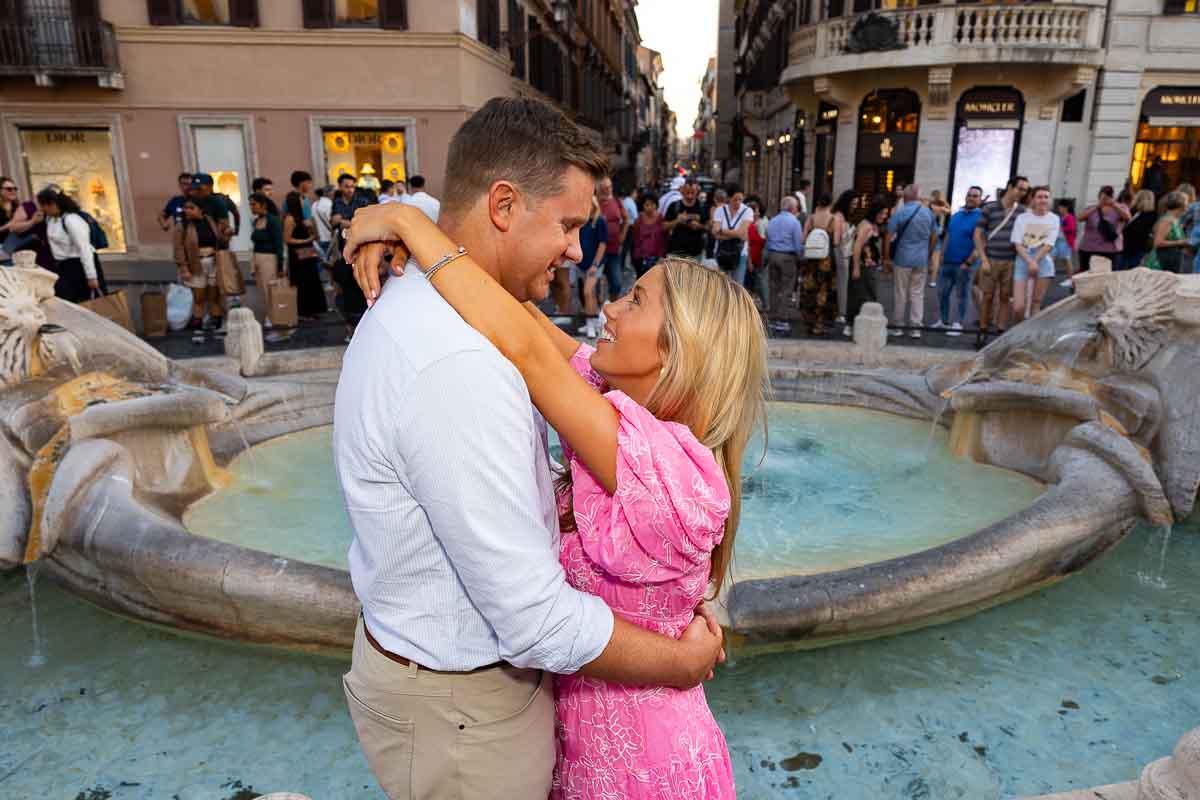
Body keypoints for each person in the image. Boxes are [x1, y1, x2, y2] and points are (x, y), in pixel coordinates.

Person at [333, 96, 726, 800]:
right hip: (469, 714)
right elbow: (534, 620)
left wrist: (408, 220)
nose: (581, 254)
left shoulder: (645, 446)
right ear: (505, 206)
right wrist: (680, 663)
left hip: (609, 742)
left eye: (634, 302)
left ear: (678, 356)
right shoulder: (459, 362)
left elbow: (524, 334)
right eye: (569, 224)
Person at [974, 175, 1028, 337]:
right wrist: (983, 259)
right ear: (1010, 187)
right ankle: (982, 331)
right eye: (1020, 188)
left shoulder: (1022, 211)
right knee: (987, 296)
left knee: (1005, 296)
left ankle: (1000, 332)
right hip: (990, 259)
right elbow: (977, 235)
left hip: (1011, 261)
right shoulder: (989, 208)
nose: (1023, 193)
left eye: (1025, 190)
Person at [36, 187, 105, 303]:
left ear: (52, 204)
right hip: (64, 268)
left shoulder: (72, 220)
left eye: (43, 205)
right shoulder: (51, 219)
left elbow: (84, 249)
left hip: (79, 267)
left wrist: (91, 276)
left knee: (89, 305)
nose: (42, 209)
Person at [886, 184, 937, 339]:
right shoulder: (928, 213)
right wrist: (928, 254)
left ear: (905, 197)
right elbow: (934, 236)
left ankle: (898, 327)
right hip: (921, 259)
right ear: (917, 197)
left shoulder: (900, 213)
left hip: (902, 258)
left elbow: (888, 236)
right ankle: (916, 328)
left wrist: (886, 258)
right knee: (918, 293)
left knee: (900, 293)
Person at [935, 185, 982, 336]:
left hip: (964, 264)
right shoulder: (956, 215)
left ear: (980, 200)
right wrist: (942, 255)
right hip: (948, 261)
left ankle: (958, 324)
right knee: (942, 293)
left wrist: (968, 262)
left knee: (962, 295)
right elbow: (948, 235)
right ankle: (943, 320)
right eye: (969, 195)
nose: (971, 198)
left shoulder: (981, 217)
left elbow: (980, 243)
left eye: (975, 196)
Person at [1011, 186, 1060, 323]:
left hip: (1043, 259)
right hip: (1023, 258)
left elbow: (1049, 244)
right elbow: (1017, 243)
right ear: (1033, 199)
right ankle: (1016, 332)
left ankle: (1029, 338)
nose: (1043, 200)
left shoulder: (1054, 219)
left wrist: (1036, 260)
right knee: (1018, 306)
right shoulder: (1022, 218)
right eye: (1039, 197)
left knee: (1036, 302)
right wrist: (1030, 261)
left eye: (1046, 197)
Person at [173, 197, 225, 328]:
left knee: (214, 297)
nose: (187, 211)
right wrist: (183, 268)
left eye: (191, 208)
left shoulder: (210, 221)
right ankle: (197, 324)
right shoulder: (182, 226)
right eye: (185, 208)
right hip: (196, 264)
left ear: (200, 209)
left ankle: (217, 322)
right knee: (199, 297)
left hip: (214, 262)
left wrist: (226, 235)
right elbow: (178, 248)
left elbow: (219, 240)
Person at [799, 193, 842, 335]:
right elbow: (836, 242)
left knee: (810, 289)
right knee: (824, 291)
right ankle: (820, 324)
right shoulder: (833, 219)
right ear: (830, 204)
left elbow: (803, 238)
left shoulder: (811, 218)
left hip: (811, 260)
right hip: (826, 260)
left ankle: (809, 322)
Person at [846, 198, 890, 336]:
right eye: (882, 213)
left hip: (869, 267)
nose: (885, 216)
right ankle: (851, 325)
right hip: (863, 266)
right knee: (860, 295)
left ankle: (864, 325)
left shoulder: (873, 225)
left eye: (886, 213)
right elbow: (857, 246)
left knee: (868, 295)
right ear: (875, 212)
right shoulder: (866, 226)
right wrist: (856, 268)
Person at [282, 190, 327, 321]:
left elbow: (314, 235)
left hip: (307, 253)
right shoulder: (290, 218)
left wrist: (310, 228)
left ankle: (314, 309)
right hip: (297, 254)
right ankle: (304, 311)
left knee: (312, 280)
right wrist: (305, 241)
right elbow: (287, 239)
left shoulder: (302, 218)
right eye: (301, 200)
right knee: (303, 283)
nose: (304, 202)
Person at [764, 196, 805, 329]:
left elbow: (767, 237)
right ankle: (782, 318)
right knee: (787, 288)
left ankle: (773, 315)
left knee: (774, 287)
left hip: (773, 254)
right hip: (788, 257)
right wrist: (800, 258)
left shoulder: (773, 220)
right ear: (793, 208)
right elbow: (798, 243)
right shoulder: (794, 222)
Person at [575, 196, 609, 338]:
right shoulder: (582, 221)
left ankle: (590, 323)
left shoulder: (599, 220)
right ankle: (594, 323)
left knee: (588, 291)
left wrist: (595, 264)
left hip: (594, 264)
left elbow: (602, 244)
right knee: (589, 294)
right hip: (582, 263)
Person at [1077, 185, 1130, 274]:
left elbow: (1127, 217)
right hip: (1089, 248)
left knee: (1108, 276)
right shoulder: (1091, 208)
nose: (1106, 198)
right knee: (1086, 275)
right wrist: (1097, 206)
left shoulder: (1120, 207)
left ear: (1113, 197)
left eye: (1109, 195)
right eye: (1103, 196)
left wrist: (1114, 204)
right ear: (1099, 196)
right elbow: (1079, 218)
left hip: (1111, 250)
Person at [248, 192, 283, 322]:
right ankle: (269, 315)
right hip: (258, 258)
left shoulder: (273, 221)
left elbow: (278, 244)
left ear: (263, 205)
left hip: (269, 259)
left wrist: (280, 266)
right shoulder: (257, 220)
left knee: (270, 290)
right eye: (250, 204)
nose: (251, 207)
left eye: (254, 204)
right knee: (262, 290)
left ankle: (274, 317)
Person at [711, 185, 753, 285]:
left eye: (740, 199)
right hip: (722, 252)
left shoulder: (747, 211)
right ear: (729, 198)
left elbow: (741, 233)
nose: (738, 202)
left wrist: (721, 230)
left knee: (737, 286)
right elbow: (715, 232)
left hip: (739, 253)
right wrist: (736, 234)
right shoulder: (720, 210)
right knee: (721, 285)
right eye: (735, 199)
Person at [595, 176, 626, 299]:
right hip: (597, 250)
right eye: (605, 188)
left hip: (613, 248)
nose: (608, 190)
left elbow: (626, 218)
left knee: (616, 283)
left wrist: (622, 236)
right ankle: (596, 312)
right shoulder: (595, 202)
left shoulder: (617, 201)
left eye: (610, 187)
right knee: (594, 284)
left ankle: (612, 304)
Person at [1144, 191, 1190, 273]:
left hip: (1171, 261)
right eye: (1187, 202)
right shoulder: (1167, 220)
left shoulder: (1175, 220)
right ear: (1180, 204)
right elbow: (1157, 243)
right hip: (1162, 262)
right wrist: (1180, 242)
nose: (1188, 205)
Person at [663, 179, 709, 260]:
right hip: (675, 252)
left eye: (693, 192)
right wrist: (677, 220)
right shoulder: (674, 206)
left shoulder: (703, 207)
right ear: (682, 190)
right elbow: (664, 226)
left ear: (697, 192)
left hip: (695, 253)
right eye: (687, 192)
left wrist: (700, 226)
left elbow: (709, 227)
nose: (690, 195)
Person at [831, 190, 857, 325]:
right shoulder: (838, 217)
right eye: (853, 204)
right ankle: (841, 313)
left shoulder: (841, 216)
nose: (854, 207)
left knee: (843, 283)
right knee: (842, 284)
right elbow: (836, 240)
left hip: (844, 254)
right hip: (841, 254)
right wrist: (850, 233)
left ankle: (841, 311)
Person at [1119, 190, 1158, 271]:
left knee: (1121, 269)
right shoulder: (1152, 215)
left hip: (1127, 245)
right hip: (1140, 246)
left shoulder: (1131, 211)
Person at [631, 192, 665, 279]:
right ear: (643, 206)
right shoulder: (638, 220)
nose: (650, 207)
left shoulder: (660, 218)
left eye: (652, 204)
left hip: (657, 258)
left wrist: (662, 256)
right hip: (641, 258)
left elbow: (664, 238)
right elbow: (635, 238)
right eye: (647, 205)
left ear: (656, 205)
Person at [745, 196, 769, 312]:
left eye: (758, 211)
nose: (758, 214)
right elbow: (748, 245)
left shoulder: (754, 226)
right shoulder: (749, 226)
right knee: (750, 284)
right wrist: (749, 262)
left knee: (752, 284)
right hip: (751, 262)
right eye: (756, 211)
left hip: (756, 261)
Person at [928, 189, 951, 288]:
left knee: (927, 253)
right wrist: (944, 201)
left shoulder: (929, 206)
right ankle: (933, 281)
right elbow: (949, 211)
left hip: (927, 230)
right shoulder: (940, 208)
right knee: (936, 257)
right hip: (936, 230)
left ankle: (925, 274)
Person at [1053, 197, 1077, 285]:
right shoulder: (1061, 217)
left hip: (1065, 242)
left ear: (1065, 207)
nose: (1059, 209)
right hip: (1059, 241)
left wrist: (1061, 228)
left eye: (1060, 207)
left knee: (1067, 260)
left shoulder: (1069, 217)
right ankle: (1070, 279)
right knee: (1063, 260)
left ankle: (1071, 279)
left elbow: (1072, 229)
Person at [311, 186, 334, 262]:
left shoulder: (314, 205)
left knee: (321, 262)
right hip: (328, 237)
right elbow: (331, 221)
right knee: (330, 262)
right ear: (329, 193)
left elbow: (312, 221)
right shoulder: (329, 204)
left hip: (318, 238)